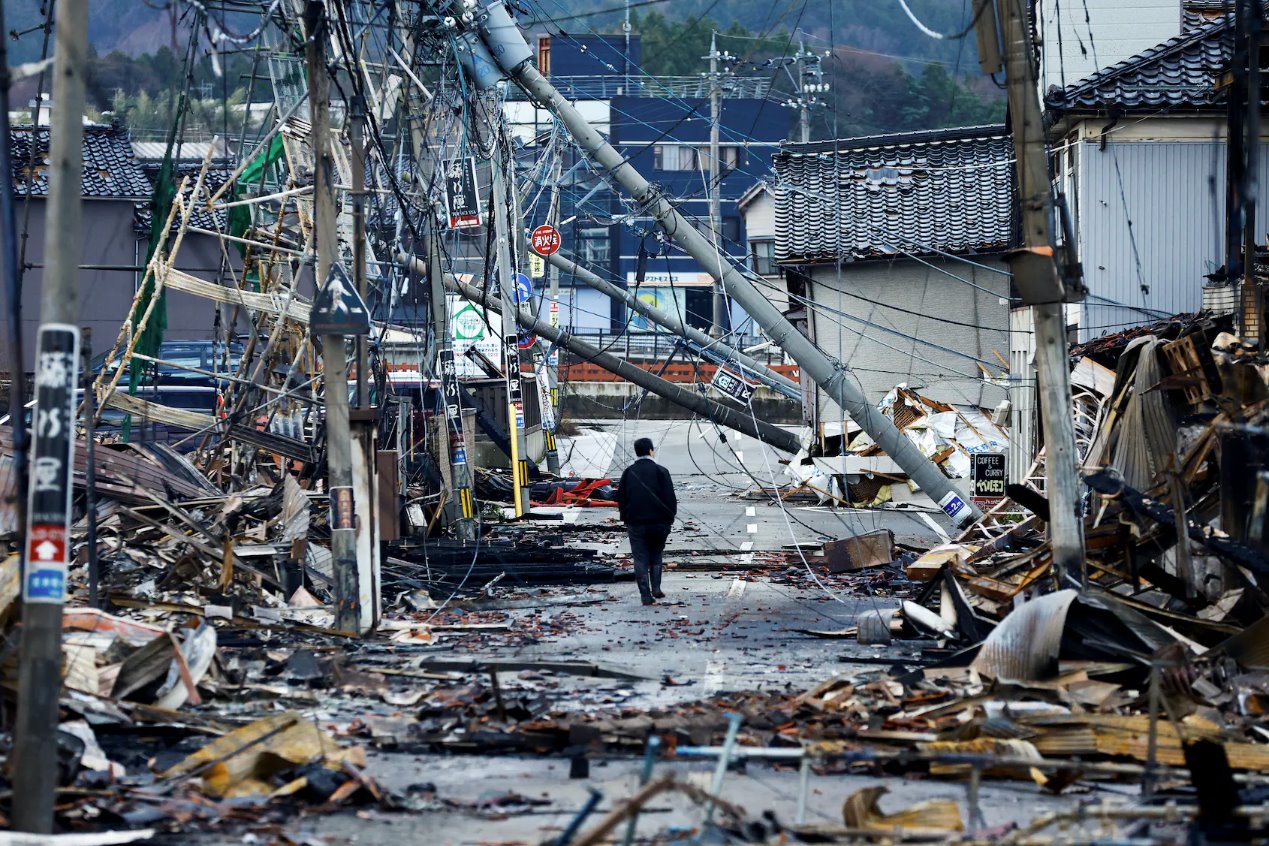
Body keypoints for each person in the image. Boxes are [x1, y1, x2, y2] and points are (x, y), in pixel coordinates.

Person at [615, 436, 677, 605]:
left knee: (640, 558)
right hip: (660, 523)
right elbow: (671, 498)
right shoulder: (661, 471)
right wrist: (669, 518)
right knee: (656, 554)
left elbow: (621, 498)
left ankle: (645, 595)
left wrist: (626, 517)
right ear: (651, 451)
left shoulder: (628, 472)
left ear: (637, 452)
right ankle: (656, 588)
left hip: (636, 523)